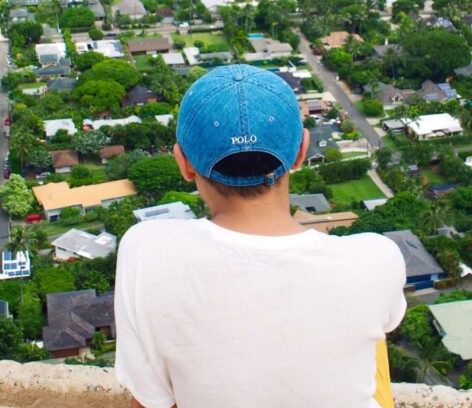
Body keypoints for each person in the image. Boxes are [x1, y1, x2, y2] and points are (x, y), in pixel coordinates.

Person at [114, 64, 407, 408]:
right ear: (301, 152)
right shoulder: (376, 259)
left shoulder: (146, 250)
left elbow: (150, 401)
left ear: (184, 163)